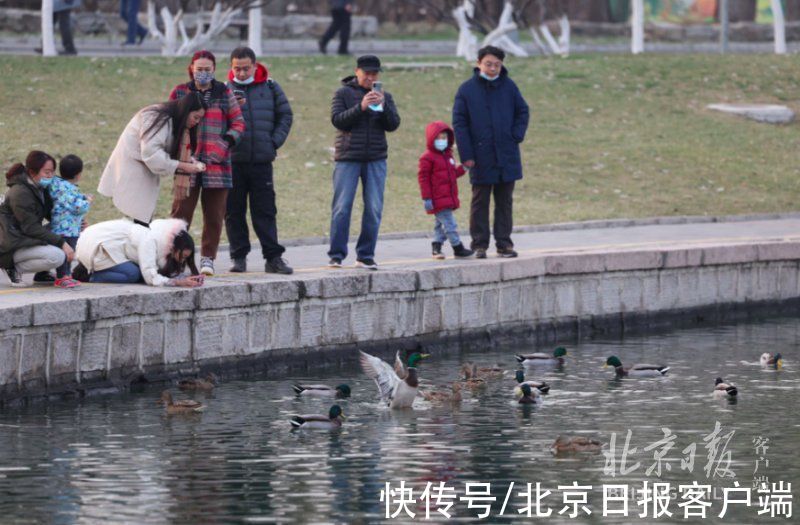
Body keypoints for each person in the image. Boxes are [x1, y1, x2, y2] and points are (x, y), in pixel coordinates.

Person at [169, 50, 246, 277]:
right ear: (192, 68)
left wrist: (222, 146)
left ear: (214, 70)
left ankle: (207, 259)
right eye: (199, 69)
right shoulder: (180, 91)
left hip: (217, 164)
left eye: (207, 69)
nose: (203, 73)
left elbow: (238, 124)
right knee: (180, 215)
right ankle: (175, 258)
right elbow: (170, 121)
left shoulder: (225, 92)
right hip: (186, 163)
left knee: (214, 215)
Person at [452, 45, 530, 259]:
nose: (493, 68)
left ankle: (504, 244)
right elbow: (460, 124)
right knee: (480, 201)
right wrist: (467, 155)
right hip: (480, 156)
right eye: (488, 64)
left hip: (507, 154)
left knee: (505, 201)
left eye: (497, 64)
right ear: (479, 63)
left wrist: (516, 135)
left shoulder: (509, 87)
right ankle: (479, 244)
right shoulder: (466, 90)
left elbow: (522, 111)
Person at [225, 46, 294, 275]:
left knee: (265, 211)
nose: (242, 73)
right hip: (233, 161)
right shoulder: (224, 90)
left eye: (246, 68)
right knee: (233, 211)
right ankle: (238, 257)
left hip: (262, 161)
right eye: (237, 69)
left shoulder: (270, 87)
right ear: (231, 67)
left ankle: (273, 258)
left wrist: (273, 142)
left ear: (254, 65)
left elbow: (286, 115)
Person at [328, 55, 400, 270]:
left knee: (374, 208)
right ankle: (336, 255)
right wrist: (361, 106)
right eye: (366, 73)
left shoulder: (384, 95)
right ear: (357, 71)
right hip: (348, 157)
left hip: (376, 158)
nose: (370, 77)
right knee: (342, 207)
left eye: (374, 74)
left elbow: (393, 125)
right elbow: (337, 120)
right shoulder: (342, 93)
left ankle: (366, 255)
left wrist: (384, 105)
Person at [98, 94, 207, 226]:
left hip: (143, 169)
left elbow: (164, 148)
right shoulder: (156, 116)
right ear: (186, 111)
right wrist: (182, 165)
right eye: (196, 117)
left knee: (141, 218)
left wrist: (188, 161)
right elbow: (151, 152)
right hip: (134, 168)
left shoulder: (170, 119)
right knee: (138, 219)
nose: (197, 122)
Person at [0, 151, 74, 287]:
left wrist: (72, 221)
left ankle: (42, 273)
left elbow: (53, 214)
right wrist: (62, 243)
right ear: (32, 172)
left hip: (26, 237)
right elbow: (31, 227)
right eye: (47, 172)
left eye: (52, 172)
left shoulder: (40, 187)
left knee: (65, 226)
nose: (51, 176)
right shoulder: (20, 193)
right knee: (56, 256)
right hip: (11, 244)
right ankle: (11, 267)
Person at [75, 218, 203, 287]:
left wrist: (182, 277)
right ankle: (89, 276)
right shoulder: (151, 240)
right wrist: (178, 282)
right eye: (183, 256)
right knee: (133, 274)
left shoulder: (160, 239)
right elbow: (150, 277)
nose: (182, 261)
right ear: (175, 248)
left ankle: (87, 269)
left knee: (135, 272)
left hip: (101, 244)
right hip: (97, 246)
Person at [417, 121, 474, 260]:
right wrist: (427, 198)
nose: (442, 141)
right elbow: (423, 179)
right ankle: (457, 247)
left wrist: (464, 168)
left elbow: (452, 174)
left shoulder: (448, 156)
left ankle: (436, 247)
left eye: (444, 138)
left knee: (440, 224)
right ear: (432, 139)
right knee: (450, 223)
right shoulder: (427, 158)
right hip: (437, 199)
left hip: (448, 197)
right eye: (438, 138)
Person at [46, 154, 91, 288]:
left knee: (66, 254)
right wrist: (87, 201)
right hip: (68, 229)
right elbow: (78, 207)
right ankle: (62, 277)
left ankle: (66, 275)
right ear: (78, 174)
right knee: (68, 254)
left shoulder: (57, 184)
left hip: (59, 226)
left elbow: (67, 199)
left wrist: (81, 196)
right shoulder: (70, 188)